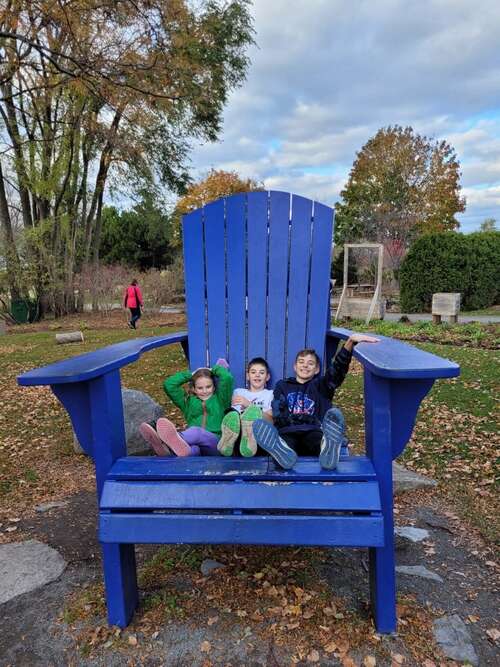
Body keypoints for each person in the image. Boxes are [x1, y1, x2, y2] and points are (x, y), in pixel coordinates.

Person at [252, 334, 379, 470]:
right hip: (288, 431)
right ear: (295, 366)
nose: (305, 365)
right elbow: (278, 409)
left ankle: (329, 450)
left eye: (310, 363)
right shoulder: (282, 385)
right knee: (285, 445)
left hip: (312, 430)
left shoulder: (321, 386)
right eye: (301, 362)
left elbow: (337, 370)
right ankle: (280, 453)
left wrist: (350, 342)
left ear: (317, 369)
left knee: (317, 442)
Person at [139, 359, 233, 457]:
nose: (205, 391)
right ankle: (167, 451)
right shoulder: (187, 402)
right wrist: (191, 374)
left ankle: (167, 442)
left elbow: (227, 378)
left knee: (197, 432)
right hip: (195, 446)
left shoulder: (221, 400)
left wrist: (213, 369)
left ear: (214, 387)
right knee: (192, 449)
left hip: (215, 444)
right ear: (193, 389)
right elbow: (169, 385)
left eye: (208, 387)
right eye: (200, 388)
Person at [217, 357, 274, 457]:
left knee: (252, 418)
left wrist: (249, 406)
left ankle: (248, 436)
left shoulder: (270, 394)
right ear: (248, 376)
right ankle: (228, 441)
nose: (257, 375)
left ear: (267, 377)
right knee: (233, 414)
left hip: (258, 433)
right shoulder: (238, 392)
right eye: (253, 372)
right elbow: (232, 415)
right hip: (238, 432)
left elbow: (270, 420)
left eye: (261, 372)